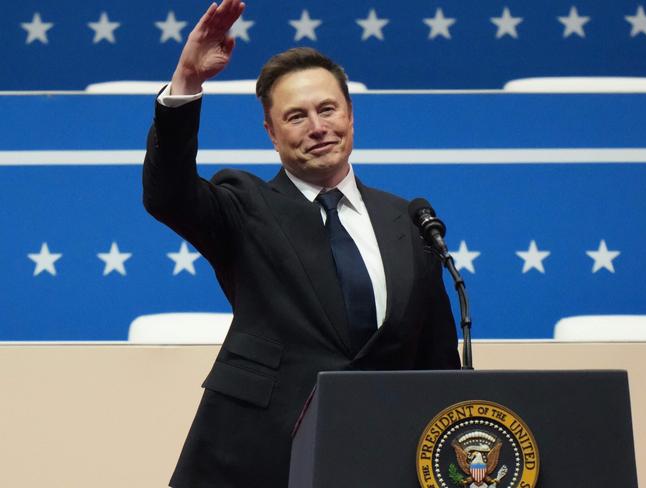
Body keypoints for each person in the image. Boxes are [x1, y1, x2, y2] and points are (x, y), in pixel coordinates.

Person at [143, 1, 461, 486]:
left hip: (380, 456)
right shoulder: (244, 205)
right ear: (271, 134)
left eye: (327, 109)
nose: (317, 127)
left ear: (351, 117)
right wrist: (187, 81)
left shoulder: (408, 220)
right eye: (295, 117)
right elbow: (167, 194)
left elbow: (436, 359)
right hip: (254, 458)